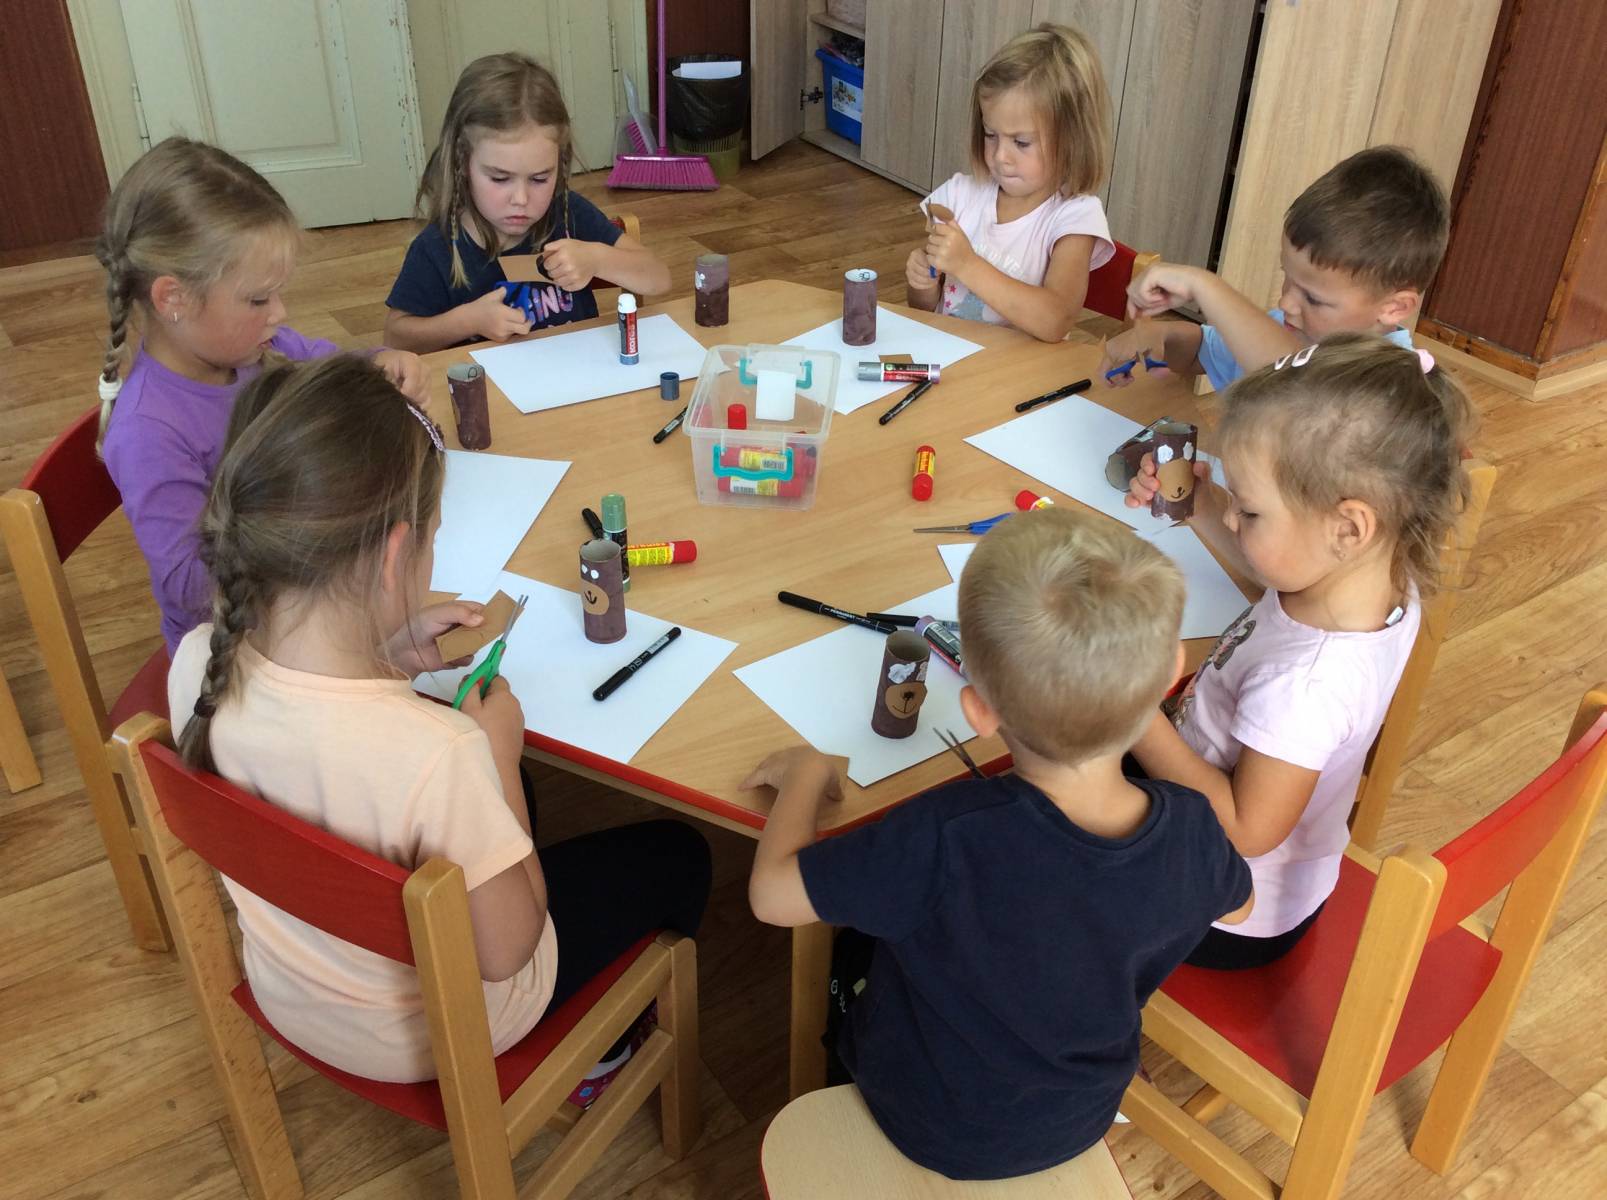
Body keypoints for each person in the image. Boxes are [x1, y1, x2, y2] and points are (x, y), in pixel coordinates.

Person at [168, 355, 711, 1085]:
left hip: (291, 990)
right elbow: (510, 950)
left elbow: (321, 742)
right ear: (397, 552)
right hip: (441, 1035)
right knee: (680, 854)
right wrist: (498, 761)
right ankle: (602, 1058)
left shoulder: (198, 662)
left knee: (496, 805)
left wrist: (389, 658)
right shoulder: (439, 753)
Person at [743, 507, 1252, 1180]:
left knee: (853, 942)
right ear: (1169, 678)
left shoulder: (945, 836)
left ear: (978, 710)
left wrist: (805, 776)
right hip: (1080, 1115)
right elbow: (1240, 905)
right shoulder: (1193, 829)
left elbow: (771, 897)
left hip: (925, 1120)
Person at [1125, 334, 1475, 969]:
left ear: (1348, 528)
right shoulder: (1371, 581)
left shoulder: (1305, 686)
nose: (1236, 521)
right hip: (1234, 835)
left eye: (1252, 512)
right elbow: (1277, 567)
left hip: (1225, 907)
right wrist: (1202, 503)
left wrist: (1134, 717)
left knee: (1026, 831)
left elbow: (1245, 831)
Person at [96, 137, 426, 655]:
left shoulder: (262, 350)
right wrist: (313, 560)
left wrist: (379, 363)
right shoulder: (147, 433)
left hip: (316, 606)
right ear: (173, 298)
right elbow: (190, 586)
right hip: (237, 655)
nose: (279, 313)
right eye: (257, 299)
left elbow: (331, 366)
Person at [384, 52, 671, 353]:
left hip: (578, 374)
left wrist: (597, 259)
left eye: (539, 178)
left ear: (560, 163)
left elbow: (659, 278)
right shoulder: (437, 247)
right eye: (499, 178)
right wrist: (469, 321)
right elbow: (396, 339)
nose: (520, 200)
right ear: (462, 162)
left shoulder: (567, 213)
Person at [1102, 145, 1449, 389]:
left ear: (1395, 307)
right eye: (1287, 277)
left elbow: (1289, 380)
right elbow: (1202, 353)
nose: (1286, 303)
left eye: (1312, 298)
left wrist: (1204, 286)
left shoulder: (1396, 385)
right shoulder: (1285, 326)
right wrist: (1159, 337)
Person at [904, 23, 1115, 343]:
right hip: (950, 358)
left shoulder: (1075, 219)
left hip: (1022, 372)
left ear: (1072, 141)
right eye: (991, 135)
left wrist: (967, 264)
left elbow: (1055, 321)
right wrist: (923, 284)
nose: (1001, 156)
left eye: (1021, 142)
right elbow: (925, 310)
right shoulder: (960, 194)